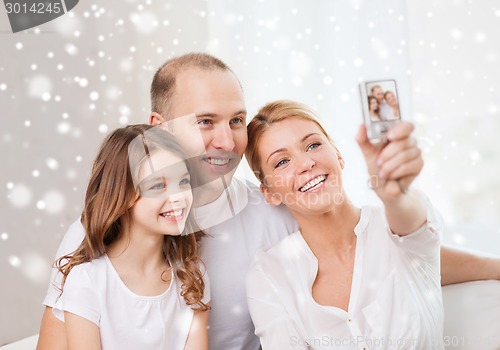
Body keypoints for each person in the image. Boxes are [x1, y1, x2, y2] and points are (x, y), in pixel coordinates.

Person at [37, 52, 500, 350]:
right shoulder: (104, 230)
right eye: (205, 122)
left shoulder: (273, 213)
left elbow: (391, 252)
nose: (226, 140)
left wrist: (492, 265)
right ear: (158, 127)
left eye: (237, 120)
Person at [245, 100, 443, 349]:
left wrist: (395, 194)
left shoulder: (396, 228)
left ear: (338, 155)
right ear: (269, 193)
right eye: (282, 162)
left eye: (313, 145)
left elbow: (413, 224)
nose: (306, 164)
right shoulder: (270, 272)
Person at [50, 125, 210, 350]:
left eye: (183, 182)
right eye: (158, 185)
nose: (178, 197)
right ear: (121, 195)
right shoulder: (88, 282)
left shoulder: (191, 277)